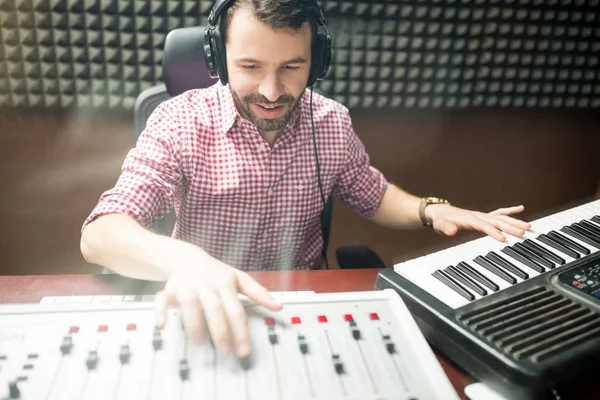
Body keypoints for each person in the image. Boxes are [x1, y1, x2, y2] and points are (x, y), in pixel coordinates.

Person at [80, 0, 531, 360]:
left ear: (316, 63)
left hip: (304, 307)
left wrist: (431, 208)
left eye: (291, 67)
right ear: (218, 59)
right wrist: (188, 262)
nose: (272, 92)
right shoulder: (178, 121)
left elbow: (371, 193)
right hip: (207, 308)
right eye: (251, 66)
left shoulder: (331, 121)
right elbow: (102, 233)